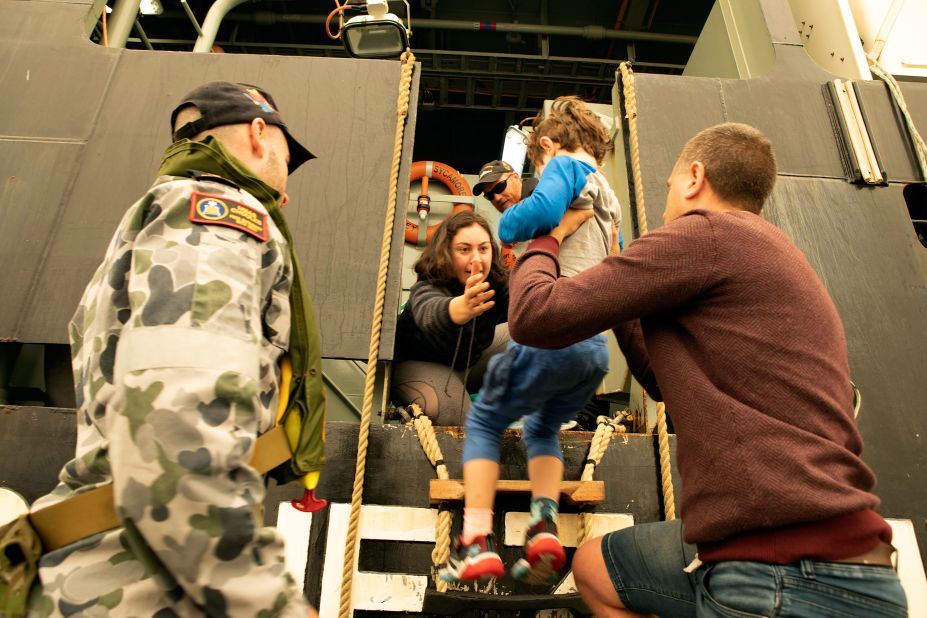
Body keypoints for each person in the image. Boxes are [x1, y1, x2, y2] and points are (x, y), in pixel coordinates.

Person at [507, 122, 908, 616]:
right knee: (595, 567)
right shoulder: (769, 251)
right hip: (851, 557)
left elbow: (534, 317)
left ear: (695, 177)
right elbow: (659, 380)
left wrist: (548, 234)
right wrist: (616, 269)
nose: (668, 198)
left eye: (670, 185)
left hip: (779, 569)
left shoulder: (705, 235)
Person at [27, 81, 325, 617]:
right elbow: (177, 432)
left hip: (108, 567)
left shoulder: (156, 222)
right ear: (260, 134)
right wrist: (266, 604)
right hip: (143, 585)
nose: (288, 181)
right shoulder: (219, 213)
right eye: (287, 155)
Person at [440, 96, 620, 585]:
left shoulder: (562, 166)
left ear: (545, 145)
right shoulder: (610, 200)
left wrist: (509, 224)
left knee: (483, 421)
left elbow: (528, 217)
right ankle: (543, 528)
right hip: (592, 348)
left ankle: (475, 541)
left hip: (551, 328)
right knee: (542, 429)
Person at [392, 211, 510, 426]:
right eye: (464, 249)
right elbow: (429, 312)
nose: (476, 258)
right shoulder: (427, 285)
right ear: (445, 252)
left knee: (531, 334)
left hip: (470, 365)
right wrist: (462, 307)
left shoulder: (497, 284)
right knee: (456, 416)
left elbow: (533, 306)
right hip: (417, 366)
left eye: (483, 249)